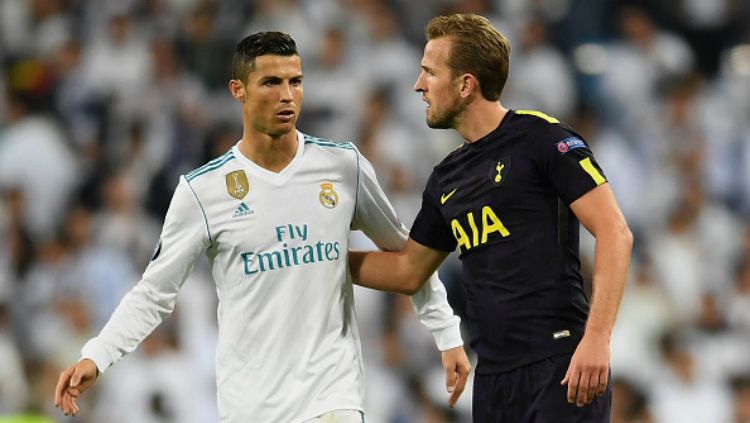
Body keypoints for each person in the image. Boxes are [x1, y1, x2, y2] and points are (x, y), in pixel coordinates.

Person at [54, 31, 470, 422]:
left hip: (332, 394)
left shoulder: (343, 167)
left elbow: (408, 254)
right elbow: (155, 293)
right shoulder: (203, 191)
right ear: (239, 91)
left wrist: (446, 333)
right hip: (251, 404)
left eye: (296, 81)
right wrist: (98, 355)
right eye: (271, 82)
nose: (288, 95)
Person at [349, 14, 633, 422]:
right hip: (494, 380)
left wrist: (598, 338)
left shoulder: (542, 139)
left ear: (466, 85)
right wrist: (323, 257)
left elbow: (615, 232)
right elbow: (407, 271)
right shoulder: (446, 177)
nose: (418, 85)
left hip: (559, 364)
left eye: (429, 72)